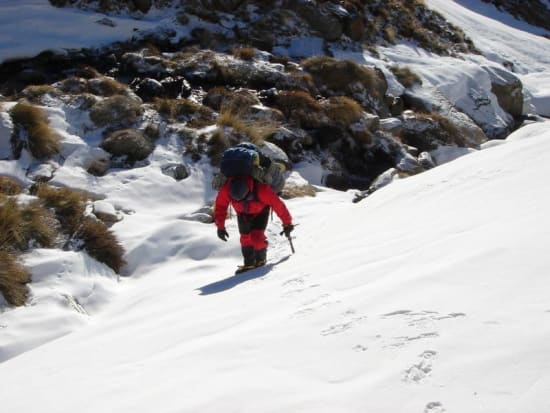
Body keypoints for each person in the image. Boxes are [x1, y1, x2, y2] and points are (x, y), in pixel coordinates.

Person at [214, 175, 294, 273]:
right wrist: (220, 227)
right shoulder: (226, 189)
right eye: (237, 200)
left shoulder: (262, 190)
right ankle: (249, 263)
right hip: (242, 213)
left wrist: (287, 224)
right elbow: (220, 207)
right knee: (245, 238)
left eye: (242, 198)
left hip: (260, 212)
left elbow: (279, 206)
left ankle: (261, 260)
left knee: (257, 238)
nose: (240, 201)